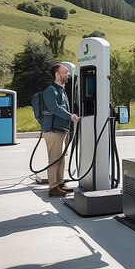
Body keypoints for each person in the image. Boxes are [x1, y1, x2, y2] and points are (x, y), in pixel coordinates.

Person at [42, 63, 80, 197]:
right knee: (54, 159)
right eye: (64, 72)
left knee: (61, 158)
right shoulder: (50, 90)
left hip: (62, 130)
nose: (67, 74)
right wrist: (71, 116)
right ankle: (53, 187)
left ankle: (59, 183)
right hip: (53, 131)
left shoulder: (61, 90)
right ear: (57, 75)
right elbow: (55, 108)